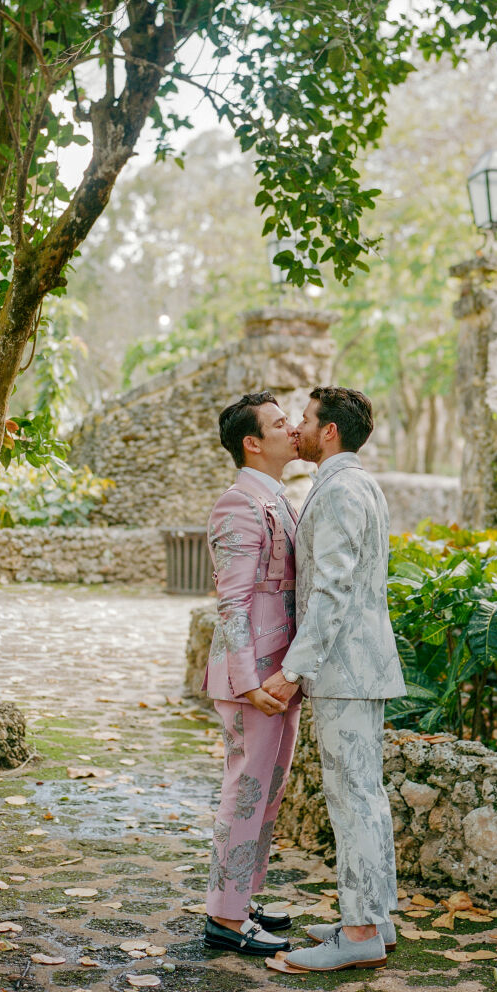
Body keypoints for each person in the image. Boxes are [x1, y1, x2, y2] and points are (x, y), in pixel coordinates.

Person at [262, 386, 406, 972]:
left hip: (345, 669)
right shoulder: (354, 482)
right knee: (364, 797)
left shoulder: (342, 489)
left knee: (353, 801)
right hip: (357, 668)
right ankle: (375, 917)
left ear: (330, 432)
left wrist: (295, 668)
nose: (296, 427)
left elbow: (332, 588)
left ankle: (360, 930)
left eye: (305, 419)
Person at [202, 391, 302, 957]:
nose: (292, 430)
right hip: (253, 679)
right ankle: (223, 917)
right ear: (253, 442)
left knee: (269, 790)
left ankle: (243, 897)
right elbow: (231, 602)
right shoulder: (237, 504)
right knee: (246, 791)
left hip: (280, 671)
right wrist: (248, 680)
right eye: (280, 422)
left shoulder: (279, 499)